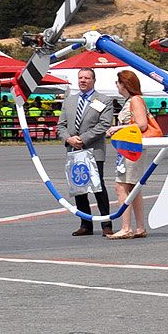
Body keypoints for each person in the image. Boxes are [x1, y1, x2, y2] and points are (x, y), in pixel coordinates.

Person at [57, 67, 115, 236]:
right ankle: (85, 224)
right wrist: (68, 139)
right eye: (81, 78)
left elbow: (104, 124)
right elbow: (61, 125)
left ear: (93, 80)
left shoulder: (104, 100)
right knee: (79, 187)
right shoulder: (69, 100)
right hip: (73, 150)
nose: (83, 80)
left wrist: (83, 139)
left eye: (87, 78)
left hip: (93, 149)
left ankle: (106, 224)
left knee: (98, 187)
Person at [108, 70, 151, 239]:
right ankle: (139, 227)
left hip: (133, 147)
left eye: (118, 82)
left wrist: (117, 128)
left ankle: (126, 228)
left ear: (124, 84)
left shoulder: (135, 100)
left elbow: (141, 124)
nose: (117, 86)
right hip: (129, 147)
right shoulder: (130, 101)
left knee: (122, 186)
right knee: (134, 186)